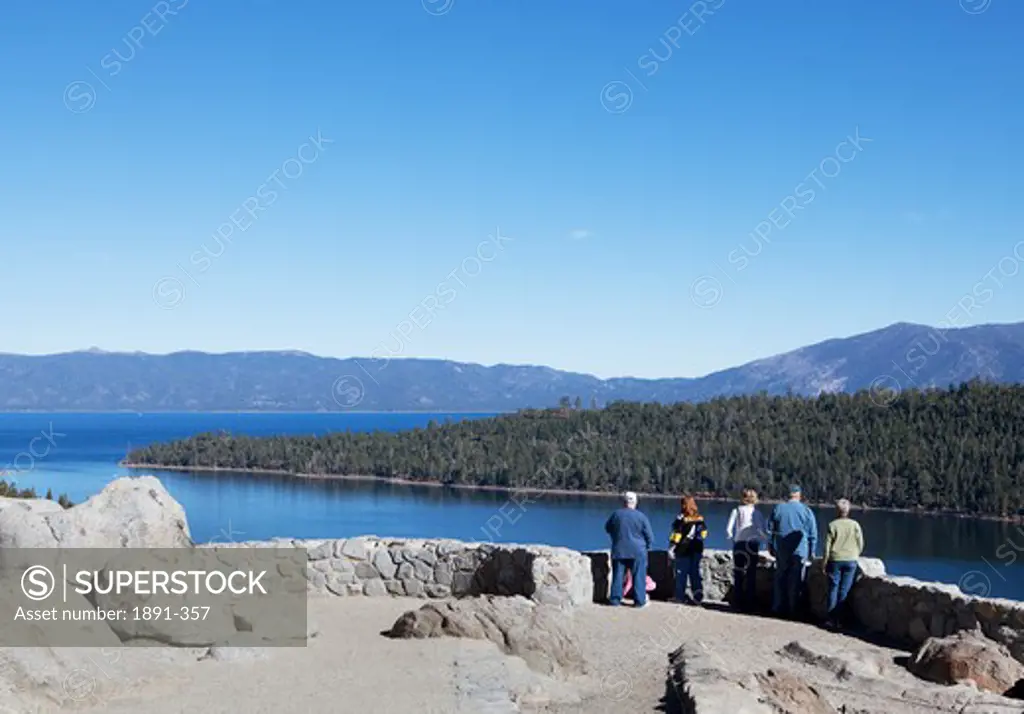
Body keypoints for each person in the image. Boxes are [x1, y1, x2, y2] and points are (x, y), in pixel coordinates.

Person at [768, 484, 818, 618]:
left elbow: (770, 529)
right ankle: (793, 608)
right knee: (796, 580)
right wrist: (812, 551)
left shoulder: (778, 508)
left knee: (780, 577)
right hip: (800, 549)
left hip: (781, 548)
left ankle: (777, 607)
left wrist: (771, 545)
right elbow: (812, 533)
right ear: (799, 495)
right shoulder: (806, 510)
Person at [605, 491, 655, 608]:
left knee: (618, 575)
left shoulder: (616, 515)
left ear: (624, 502)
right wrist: (647, 546)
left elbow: (608, 528)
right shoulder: (641, 517)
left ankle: (615, 600)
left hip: (619, 549)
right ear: (635, 502)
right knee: (639, 576)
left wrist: (616, 537)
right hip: (638, 551)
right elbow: (649, 536)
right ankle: (639, 601)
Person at [822, 498, 864, 629]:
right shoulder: (855, 525)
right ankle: (840, 621)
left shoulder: (833, 525)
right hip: (851, 560)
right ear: (848, 510)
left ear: (837, 510)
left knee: (833, 589)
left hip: (835, 560)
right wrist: (855, 554)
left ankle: (831, 619)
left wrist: (824, 562)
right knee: (844, 591)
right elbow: (861, 543)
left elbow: (827, 547)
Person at [726, 488, 767, 611]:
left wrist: (732, 539)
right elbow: (761, 530)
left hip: (739, 544)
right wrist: (764, 540)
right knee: (751, 573)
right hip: (752, 545)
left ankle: (737, 601)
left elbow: (729, 529)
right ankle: (749, 602)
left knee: (738, 573)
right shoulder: (757, 513)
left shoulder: (736, 510)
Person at [669, 496, 708, 605]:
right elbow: (704, 534)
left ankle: (679, 597)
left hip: (683, 550)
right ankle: (698, 597)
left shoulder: (682, 519)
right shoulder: (700, 519)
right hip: (697, 549)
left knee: (681, 574)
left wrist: (672, 548)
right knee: (695, 574)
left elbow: (677, 535)